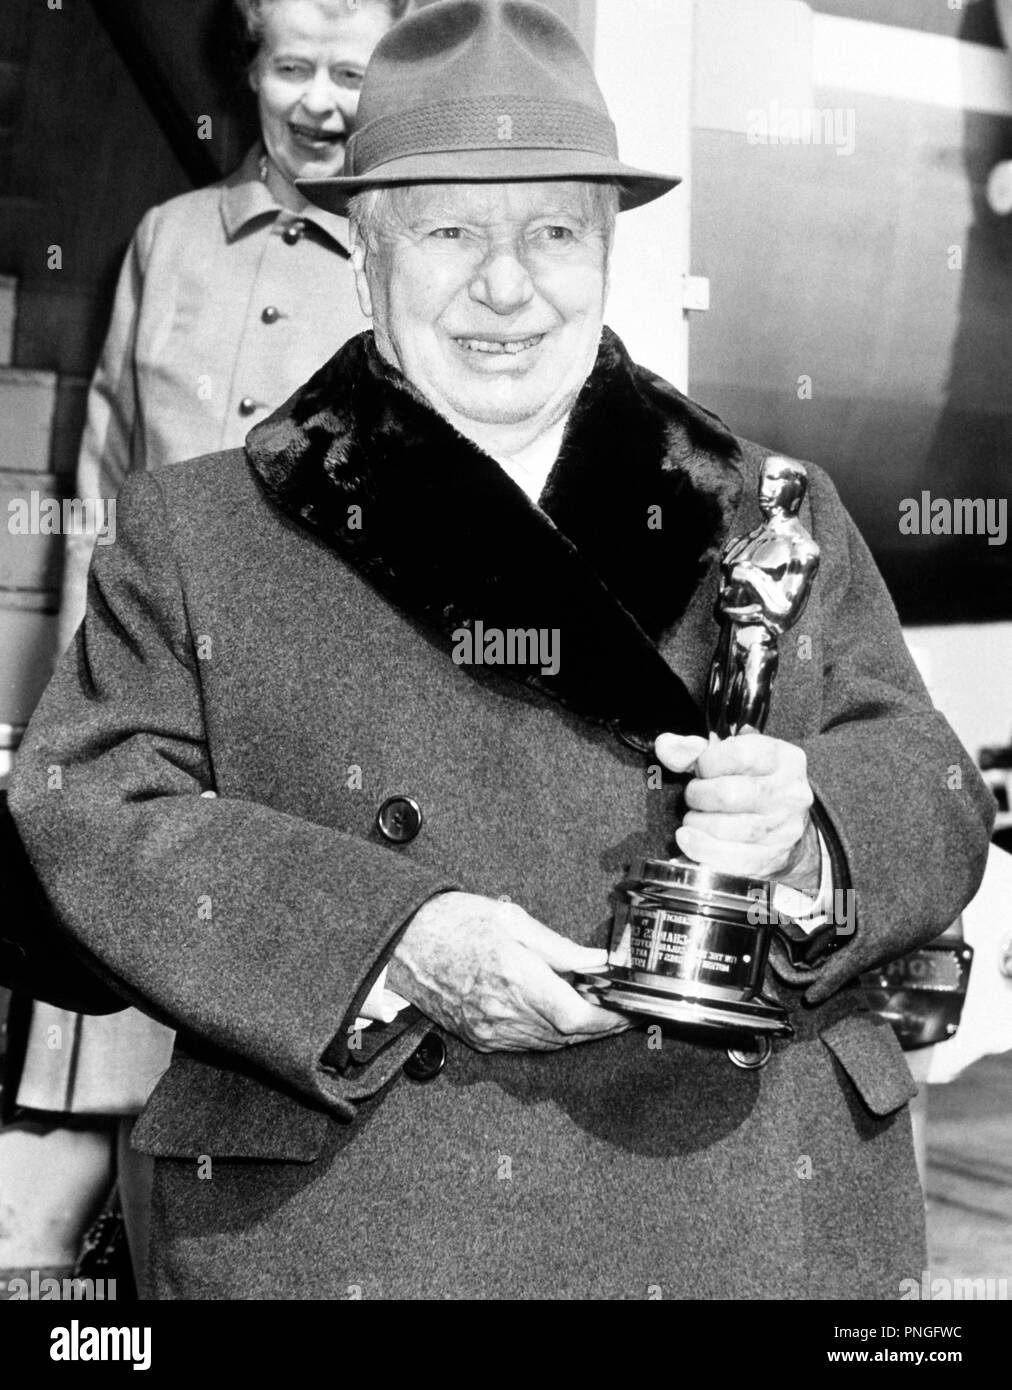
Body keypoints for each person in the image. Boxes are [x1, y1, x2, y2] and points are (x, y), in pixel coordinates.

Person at [10, 0, 994, 1299]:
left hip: (745, 1211)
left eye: (551, 231)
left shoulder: (766, 505)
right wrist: (391, 938)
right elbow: (82, 814)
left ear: (603, 246)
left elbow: (930, 786)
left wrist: (809, 838)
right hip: (354, 1219)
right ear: (366, 245)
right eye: (451, 231)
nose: (506, 284)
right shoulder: (200, 531)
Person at [17, 0, 410, 1276]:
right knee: (72, 1121)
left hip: (309, 758)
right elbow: (98, 494)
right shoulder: (167, 240)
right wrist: (64, 738)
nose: (319, 100)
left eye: (350, 72)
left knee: (259, 1151)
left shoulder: (414, 254)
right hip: (144, 737)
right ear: (249, 70)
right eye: (291, 66)